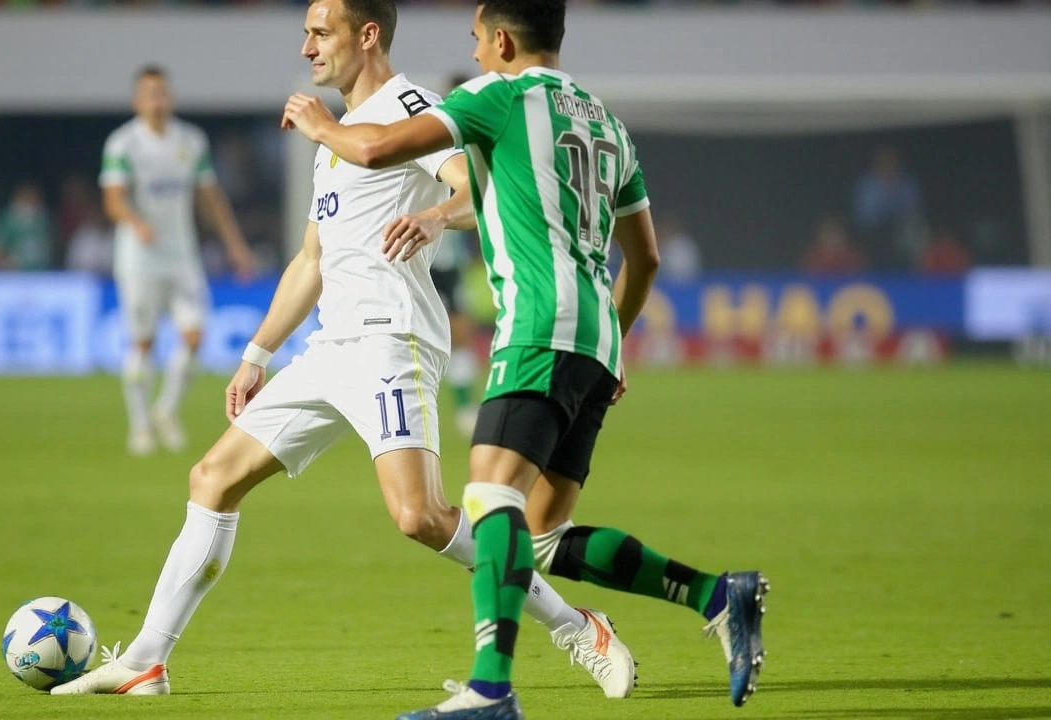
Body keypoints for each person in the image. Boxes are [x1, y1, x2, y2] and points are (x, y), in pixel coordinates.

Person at [52, 0, 636, 701]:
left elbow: (476, 190)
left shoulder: (414, 105)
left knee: (419, 516)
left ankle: (579, 627)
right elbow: (310, 258)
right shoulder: (336, 138)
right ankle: (148, 658)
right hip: (332, 347)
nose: (306, 48)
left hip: (394, 339)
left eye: (319, 32)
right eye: (305, 33)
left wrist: (432, 217)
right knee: (212, 478)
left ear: (367, 35)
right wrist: (256, 355)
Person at [281, 2, 769, 717]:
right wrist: (613, 342)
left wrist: (321, 125)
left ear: (502, 40)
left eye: (477, 42)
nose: (475, 56)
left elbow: (379, 148)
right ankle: (715, 595)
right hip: (597, 337)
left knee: (488, 499)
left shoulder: (497, 96)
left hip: (539, 326)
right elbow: (648, 257)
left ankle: (490, 688)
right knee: (538, 537)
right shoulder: (607, 121)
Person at [101, 65, 258, 456]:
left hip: (182, 255)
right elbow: (113, 199)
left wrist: (235, 244)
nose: (158, 98)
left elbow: (210, 198)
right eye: (149, 92)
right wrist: (136, 223)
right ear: (137, 100)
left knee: (194, 337)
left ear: (170, 97)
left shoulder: (190, 140)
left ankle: (165, 411)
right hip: (139, 258)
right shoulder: (123, 145)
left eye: (163, 91)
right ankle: (138, 427)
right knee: (143, 341)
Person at [431, 74, 485, 437]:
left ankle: (466, 407)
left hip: (447, 257)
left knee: (460, 331)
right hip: (424, 251)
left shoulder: (472, 142)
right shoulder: (434, 135)